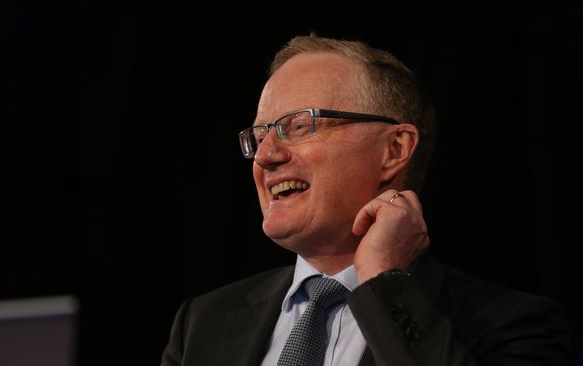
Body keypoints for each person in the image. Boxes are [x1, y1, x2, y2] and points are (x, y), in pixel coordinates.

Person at [161, 35, 569, 365]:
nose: (266, 156)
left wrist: (382, 282)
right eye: (260, 135)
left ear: (394, 149)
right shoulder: (204, 323)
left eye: (299, 125)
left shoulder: (511, 326)